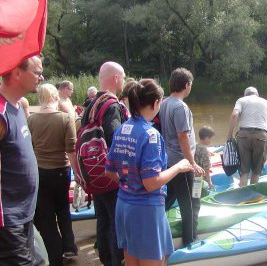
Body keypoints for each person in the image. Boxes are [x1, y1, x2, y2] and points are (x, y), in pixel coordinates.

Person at [105, 79, 193, 266]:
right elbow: (151, 182)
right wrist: (178, 167)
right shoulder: (151, 135)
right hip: (146, 211)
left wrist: (129, 181)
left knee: (131, 262)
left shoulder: (122, 129)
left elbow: (110, 171)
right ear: (155, 103)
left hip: (124, 206)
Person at [80, 61, 127, 266]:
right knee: (117, 225)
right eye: (123, 77)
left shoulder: (91, 104)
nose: (124, 81)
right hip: (111, 177)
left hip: (95, 175)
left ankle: (106, 261)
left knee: (103, 222)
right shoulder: (112, 105)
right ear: (116, 78)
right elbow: (116, 139)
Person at [28, 83, 78, 265]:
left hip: (40, 171)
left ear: (40, 98)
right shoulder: (65, 118)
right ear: (55, 97)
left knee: (46, 215)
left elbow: (30, 148)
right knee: (64, 209)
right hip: (62, 171)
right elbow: (71, 150)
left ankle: (54, 253)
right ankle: (69, 247)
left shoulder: (31, 120)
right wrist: (78, 174)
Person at [0, 55, 44, 264]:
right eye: (36, 72)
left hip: (24, 214)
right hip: (8, 220)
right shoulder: (1, 113)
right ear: (17, 72)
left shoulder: (16, 107)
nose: (41, 77)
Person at [159, 67, 204, 247]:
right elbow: (183, 136)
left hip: (169, 161)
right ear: (187, 85)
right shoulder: (180, 106)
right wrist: (192, 163)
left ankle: (153, 229)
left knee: (167, 200)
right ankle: (189, 243)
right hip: (182, 163)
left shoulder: (164, 103)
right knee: (192, 205)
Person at [226, 86, 267, 187]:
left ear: (245, 95)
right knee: (256, 172)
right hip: (261, 136)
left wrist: (229, 135)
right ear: (257, 95)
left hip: (243, 136)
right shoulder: (266, 102)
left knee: (244, 171)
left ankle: (242, 194)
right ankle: (252, 195)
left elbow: (234, 115)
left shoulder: (241, 100)